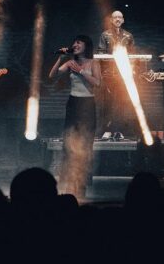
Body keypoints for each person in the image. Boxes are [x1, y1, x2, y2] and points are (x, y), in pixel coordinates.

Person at [49, 35, 101, 201]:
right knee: (69, 143)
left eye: (79, 42)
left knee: (85, 144)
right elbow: (52, 75)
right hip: (73, 103)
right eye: (74, 42)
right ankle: (69, 182)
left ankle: (82, 184)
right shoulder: (70, 62)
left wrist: (81, 71)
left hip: (87, 105)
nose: (75, 45)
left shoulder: (93, 63)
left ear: (86, 46)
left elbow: (97, 83)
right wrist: (61, 58)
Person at [97, 11, 136, 136]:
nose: (117, 19)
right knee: (108, 102)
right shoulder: (105, 35)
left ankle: (118, 130)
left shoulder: (128, 36)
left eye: (120, 17)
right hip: (109, 74)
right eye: (115, 17)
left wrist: (132, 70)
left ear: (123, 20)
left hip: (123, 75)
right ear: (111, 20)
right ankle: (107, 130)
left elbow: (133, 55)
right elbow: (101, 53)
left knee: (122, 102)